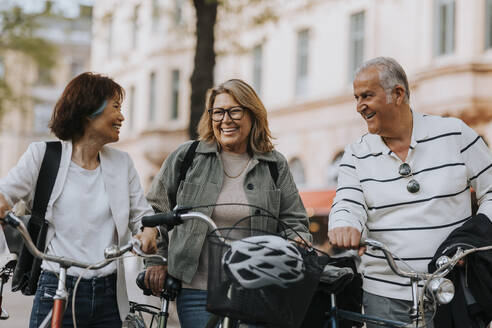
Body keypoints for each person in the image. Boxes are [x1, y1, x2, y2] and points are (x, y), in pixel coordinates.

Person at [327, 57, 492, 327]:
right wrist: (344, 224)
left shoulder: (455, 134)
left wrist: (476, 235)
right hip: (384, 295)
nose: (359, 107)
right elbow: (347, 201)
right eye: (356, 98)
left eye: (367, 96)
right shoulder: (356, 153)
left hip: (451, 288)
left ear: (398, 94)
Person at [145, 78, 312, 328]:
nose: (226, 120)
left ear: (252, 114)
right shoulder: (188, 157)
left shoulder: (273, 164)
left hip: (257, 289)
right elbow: (155, 210)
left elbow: (294, 220)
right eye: (218, 112)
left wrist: (297, 239)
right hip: (196, 291)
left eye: (235, 111)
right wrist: (157, 260)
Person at [0, 72, 159, 327]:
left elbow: (143, 217)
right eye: (116, 107)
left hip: (108, 293)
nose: (122, 116)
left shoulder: (122, 163)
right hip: (57, 286)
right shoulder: (43, 155)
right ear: (89, 111)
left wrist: (149, 232)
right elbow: (4, 195)